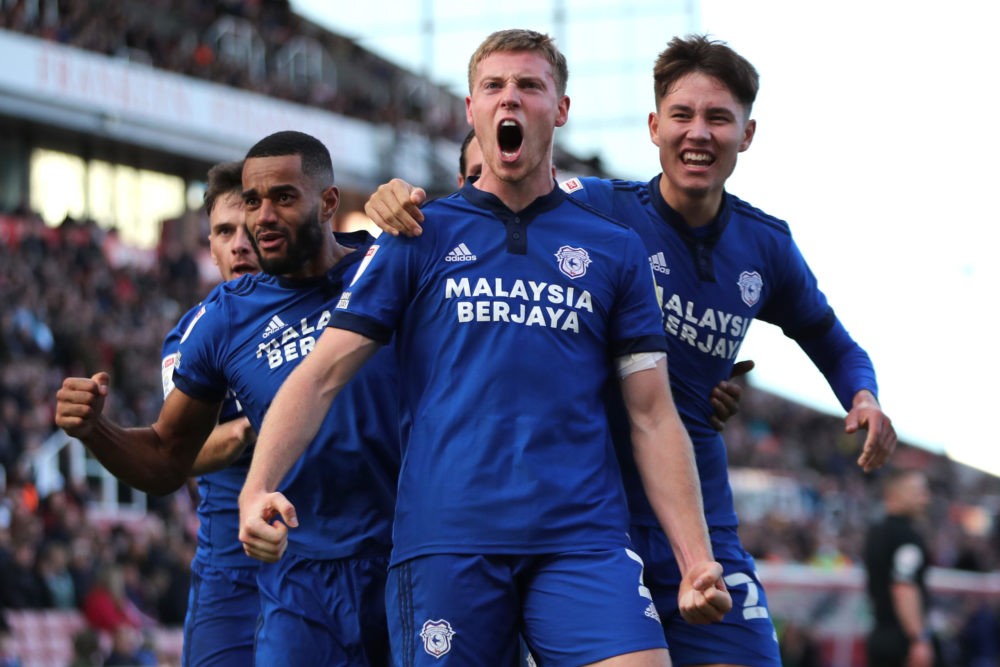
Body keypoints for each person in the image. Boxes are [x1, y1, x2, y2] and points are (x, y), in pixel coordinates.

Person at [365, 33, 897, 667]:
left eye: (718, 118)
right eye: (682, 115)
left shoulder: (766, 248)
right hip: (576, 518)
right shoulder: (596, 208)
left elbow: (832, 341)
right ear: (654, 127)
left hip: (691, 510)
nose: (698, 133)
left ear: (746, 134)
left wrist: (862, 396)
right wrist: (399, 200)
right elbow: (489, 201)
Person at [240, 29, 730, 666]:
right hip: (449, 542)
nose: (511, 99)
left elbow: (652, 414)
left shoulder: (614, 248)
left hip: (581, 541)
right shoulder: (416, 234)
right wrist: (258, 488)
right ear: (471, 110)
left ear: (559, 109)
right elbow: (321, 375)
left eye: (530, 85)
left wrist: (696, 561)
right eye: (493, 87)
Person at [54, 130, 400, 666]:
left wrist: (404, 202)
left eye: (280, 199)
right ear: (209, 244)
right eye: (233, 222)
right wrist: (95, 429)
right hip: (275, 566)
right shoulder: (216, 323)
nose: (252, 229)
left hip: (409, 556)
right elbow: (172, 455)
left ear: (328, 203)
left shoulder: (391, 268)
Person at [160, 159, 261, 666]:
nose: (239, 244)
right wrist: (260, 424)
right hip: (232, 569)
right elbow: (182, 454)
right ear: (211, 245)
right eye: (224, 231)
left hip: (334, 558)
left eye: (250, 230)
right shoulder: (192, 336)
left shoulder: (338, 316)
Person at [863, 468, 940, 667]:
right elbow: (903, 586)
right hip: (902, 640)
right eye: (918, 491)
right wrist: (918, 638)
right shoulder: (907, 537)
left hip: (878, 634)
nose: (926, 498)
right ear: (896, 493)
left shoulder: (876, 532)